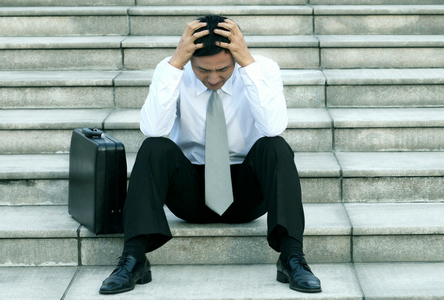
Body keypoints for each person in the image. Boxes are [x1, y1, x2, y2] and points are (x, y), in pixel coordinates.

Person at [98, 15, 321, 295]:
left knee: (275, 146)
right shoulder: (172, 69)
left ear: (236, 56)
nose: (213, 78)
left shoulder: (262, 68)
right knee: (154, 147)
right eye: (203, 70)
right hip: (190, 191)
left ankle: (291, 257)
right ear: (191, 59)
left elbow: (273, 127)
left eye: (224, 69)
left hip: (245, 191)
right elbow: (153, 128)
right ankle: (133, 258)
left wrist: (248, 65)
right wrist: (176, 64)